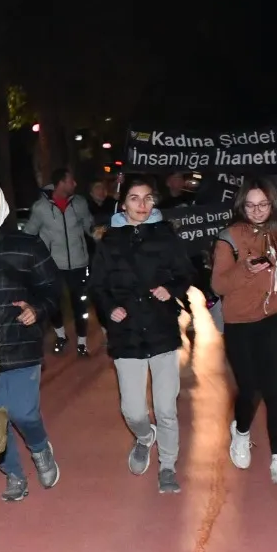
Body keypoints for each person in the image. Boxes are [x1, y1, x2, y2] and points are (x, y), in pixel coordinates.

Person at [89, 174, 195, 494]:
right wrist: (110, 309)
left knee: (166, 408)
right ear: (123, 204)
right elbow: (98, 286)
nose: (142, 205)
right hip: (127, 332)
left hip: (161, 327)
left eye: (148, 198)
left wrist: (171, 289)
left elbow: (186, 273)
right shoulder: (109, 240)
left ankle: (167, 466)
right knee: (133, 410)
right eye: (135, 199)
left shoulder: (166, 235)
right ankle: (144, 437)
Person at [0, 178, 63, 502]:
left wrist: (38, 308)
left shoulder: (27, 245)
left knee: (23, 412)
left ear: (1, 205)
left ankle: (40, 447)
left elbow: (53, 290)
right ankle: (14, 475)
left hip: (21, 345)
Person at [210, 177, 277, 484]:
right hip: (240, 322)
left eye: (263, 204)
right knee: (250, 388)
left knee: (275, 389)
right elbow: (218, 284)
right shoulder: (229, 237)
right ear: (241, 205)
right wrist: (246, 269)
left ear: (273, 204)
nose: (257, 211)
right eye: (251, 205)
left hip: (276, 317)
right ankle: (241, 430)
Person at [25, 167, 97, 356]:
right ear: (61, 183)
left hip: (79, 264)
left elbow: (89, 225)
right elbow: (30, 233)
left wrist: (97, 231)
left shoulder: (79, 203)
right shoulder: (41, 208)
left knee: (80, 306)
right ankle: (61, 336)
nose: (74, 184)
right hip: (53, 266)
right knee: (53, 304)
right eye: (70, 181)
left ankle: (82, 343)